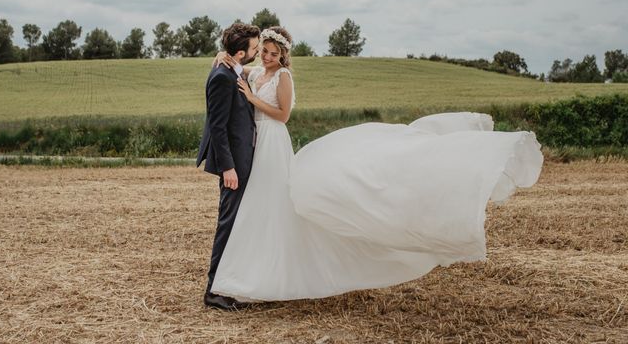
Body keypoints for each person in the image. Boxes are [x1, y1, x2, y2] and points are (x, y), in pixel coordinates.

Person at [204, 26, 544, 306]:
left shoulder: (283, 78)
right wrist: (221, 55)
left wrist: (251, 99)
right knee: (259, 208)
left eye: (272, 53)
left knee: (275, 204)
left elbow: (283, 115)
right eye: (262, 50)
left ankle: (260, 276)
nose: (265, 56)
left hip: (273, 140)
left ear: (283, 56)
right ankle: (246, 273)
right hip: (255, 145)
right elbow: (230, 65)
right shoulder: (253, 71)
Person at [196, 21, 260, 310]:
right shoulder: (222, 76)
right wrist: (228, 168)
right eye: (255, 47)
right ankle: (213, 290)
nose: (257, 51)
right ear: (241, 52)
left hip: (242, 158)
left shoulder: (232, 68)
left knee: (236, 222)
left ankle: (229, 283)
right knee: (228, 222)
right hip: (233, 163)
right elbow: (218, 127)